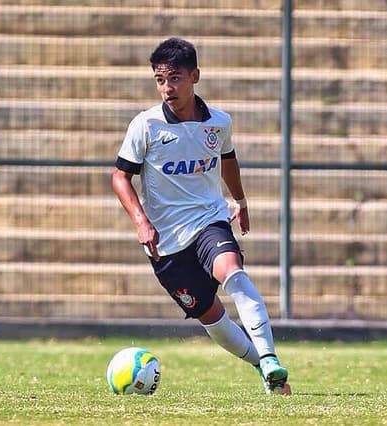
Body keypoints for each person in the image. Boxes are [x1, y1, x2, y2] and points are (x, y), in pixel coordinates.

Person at [111, 37, 290, 395]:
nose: (167, 88)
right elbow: (120, 177)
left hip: (208, 221)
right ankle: (261, 367)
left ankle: (270, 357)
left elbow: (228, 160)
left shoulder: (219, 123)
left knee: (232, 272)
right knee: (211, 316)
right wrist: (141, 221)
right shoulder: (145, 126)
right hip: (166, 244)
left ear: (195, 76)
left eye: (175, 78)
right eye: (160, 80)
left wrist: (239, 199)